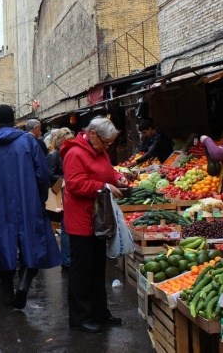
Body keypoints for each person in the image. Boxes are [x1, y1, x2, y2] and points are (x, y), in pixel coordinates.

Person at [0, 105, 61, 309]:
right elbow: (42, 174)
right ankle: (23, 285)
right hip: (28, 200)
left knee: (2, 244)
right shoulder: (28, 141)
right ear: (14, 121)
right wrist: (41, 198)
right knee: (32, 244)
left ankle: (7, 292)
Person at [60, 116, 129, 333]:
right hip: (82, 221)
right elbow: (75, 185)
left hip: (99, 220)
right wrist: (104, 186)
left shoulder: (100, 151)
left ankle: (100, 313)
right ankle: (80, 318)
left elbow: (108, 171)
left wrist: (118, 178)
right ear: (92, 134)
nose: (108, 146)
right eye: (106, 142)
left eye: (110, 143)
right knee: (82, 271)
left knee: (98, 270)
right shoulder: (75, 153)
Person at [47, 128, 75, 271]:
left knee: (68, 227)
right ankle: (66, 261)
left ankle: (69, 259)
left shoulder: (67, 154)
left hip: (70, 193)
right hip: (61, 193)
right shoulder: (53, 155)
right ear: (59, 143)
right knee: (65, 227)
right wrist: (67, 179)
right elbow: (50, 176)